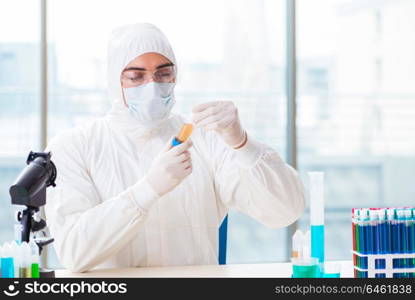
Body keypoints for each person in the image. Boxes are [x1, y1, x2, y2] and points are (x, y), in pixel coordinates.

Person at [45, 23, 305, 272]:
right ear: (115, 81)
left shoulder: (205, 138)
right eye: (136, 76)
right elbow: (75, 252)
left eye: (163, 73)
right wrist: (147, 191)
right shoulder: (74, 146)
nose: (153, 86)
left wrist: (241, 143)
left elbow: (284, 211)